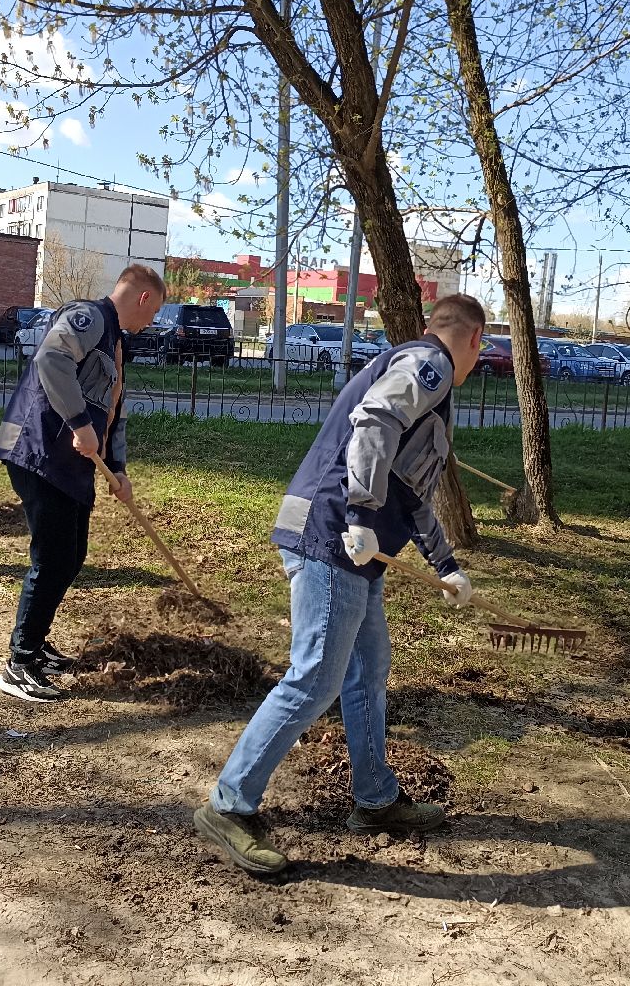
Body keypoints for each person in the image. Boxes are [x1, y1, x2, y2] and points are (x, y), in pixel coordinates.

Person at [194, 293, 485, 875]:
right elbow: (373, 422)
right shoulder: (429, 367)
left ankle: (375, 799)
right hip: (332, 539)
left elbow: (413, 492)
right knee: (316, 678)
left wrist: (445, 564)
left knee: (367, 672)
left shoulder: (426, 384)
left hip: (357, 553)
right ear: (474, 341)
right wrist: (357, 514)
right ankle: (229, 804)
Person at [0, 264, 167, 703]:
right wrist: (77, 421)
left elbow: (113, 412)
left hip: (71, 465)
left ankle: (36, 642)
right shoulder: (89, 318)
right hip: (40, 451)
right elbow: (51, 359)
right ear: (143, 297)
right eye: (154, 312)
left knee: (71, 557)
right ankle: (19, 662)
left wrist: (118, 466)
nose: (151, 323)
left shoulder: (116, 343)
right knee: (52, 559)